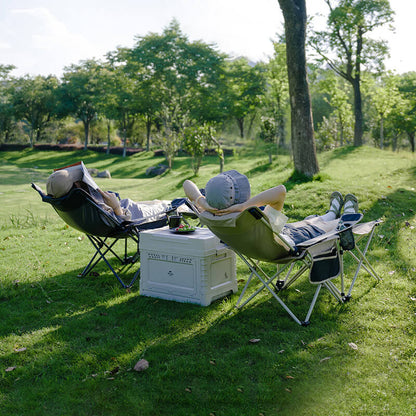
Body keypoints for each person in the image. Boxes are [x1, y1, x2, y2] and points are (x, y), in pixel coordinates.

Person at [183, 170, 359, 247]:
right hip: (282, 243)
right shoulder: (248, 215)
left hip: (259, 241)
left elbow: (187, 184)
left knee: (305, 222)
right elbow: (281, 191)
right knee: (318, 227)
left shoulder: (209, 213)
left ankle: (330, 213)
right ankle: (343, 219)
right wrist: (244, 206)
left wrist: (202, 202)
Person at [46, 169, 171, 222]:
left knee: (157, 202)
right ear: (76, 186)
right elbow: (123, 222)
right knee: (171, 206)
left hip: (130, 206)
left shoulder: (77, 206)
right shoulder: (91, 207)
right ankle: (189, 204)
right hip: (136, 215)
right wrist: (116, 207)